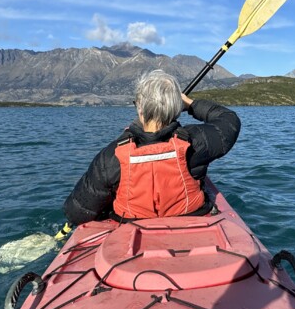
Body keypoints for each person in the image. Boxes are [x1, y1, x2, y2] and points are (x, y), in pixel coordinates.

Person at [63, 70, 241, 227]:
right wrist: (191, 104)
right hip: (191, 219)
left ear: (139, 108)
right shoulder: (197, 142)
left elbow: (77, 213)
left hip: (130, 228)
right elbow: (229, 120)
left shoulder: (112, 156)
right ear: (177, 108)